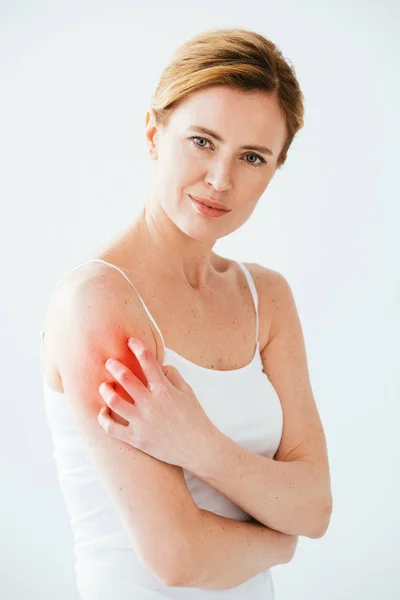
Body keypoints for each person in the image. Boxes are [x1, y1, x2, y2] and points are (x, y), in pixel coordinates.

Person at [40, 27, 331, 599]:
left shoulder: (265, 298)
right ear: (154, 133)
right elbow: (177, 557)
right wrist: (278, 539)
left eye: (252, 157)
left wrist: (199, 444)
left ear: (275, 169)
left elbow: (316, 505)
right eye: (202, 141)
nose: (221, 180)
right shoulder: (98, 300)